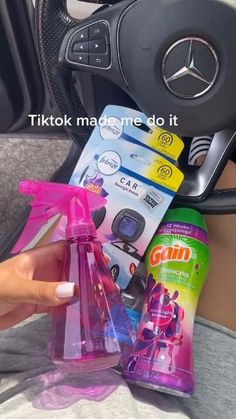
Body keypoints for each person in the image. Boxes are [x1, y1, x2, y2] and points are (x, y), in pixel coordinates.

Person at [0, 154, 235, 418]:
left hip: (26, 364)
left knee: (155, 160)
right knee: (224, 192)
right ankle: (203, 153)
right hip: (184, 407)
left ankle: (166, 146)